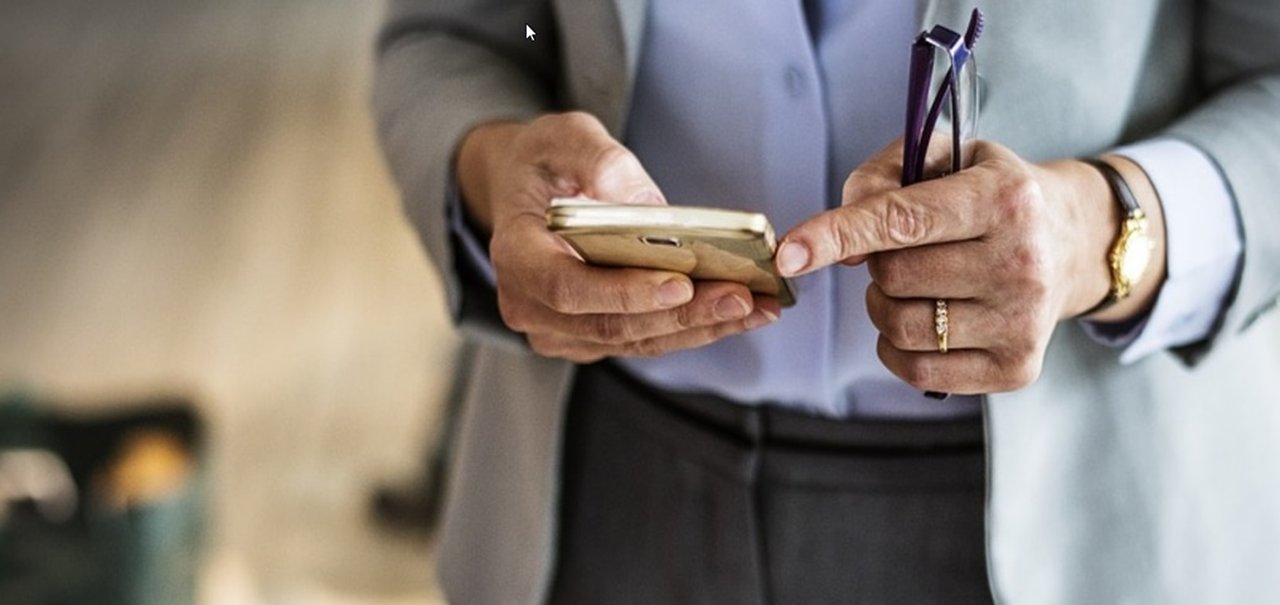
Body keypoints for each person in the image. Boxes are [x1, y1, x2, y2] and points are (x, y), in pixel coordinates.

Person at [374, 0, 1280, 603]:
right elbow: (447, 36)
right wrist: (497, 169)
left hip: (1069, 527)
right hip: (597, 489)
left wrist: (1098, 229)